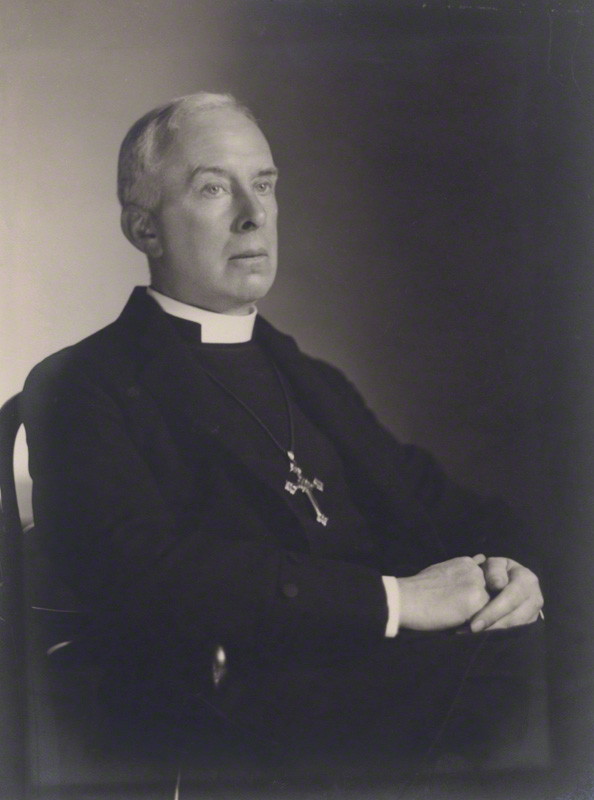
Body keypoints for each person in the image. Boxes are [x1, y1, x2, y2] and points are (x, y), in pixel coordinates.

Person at [22, 92, 546, 792]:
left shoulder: (311, 377)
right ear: (145, 228)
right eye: (214, 188)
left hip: (391, 682)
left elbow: (438, 504)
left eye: (264, 185)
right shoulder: (82, 382)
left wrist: (515, 573)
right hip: (244, 718)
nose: (254, 214)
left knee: (552, 653)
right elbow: (140, 574)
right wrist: (393, 601)